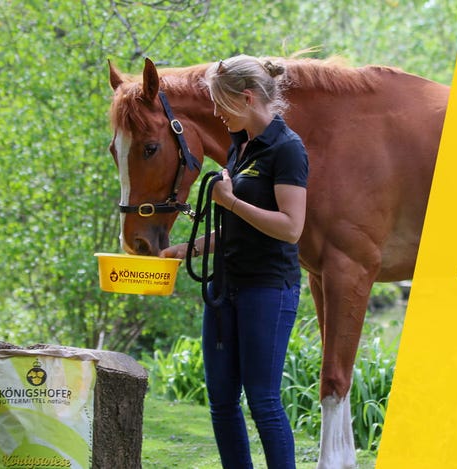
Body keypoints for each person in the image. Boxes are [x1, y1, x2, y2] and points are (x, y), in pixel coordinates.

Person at [161, 54, 308, 469]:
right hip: (224, 288)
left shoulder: (287, 149)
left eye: (219, 104)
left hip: (267, 287)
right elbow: (232, 228)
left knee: (262, 400)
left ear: (245, 98)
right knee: (221, 401)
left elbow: (291, 227)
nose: (215, 113)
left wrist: (230, 200)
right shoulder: (237, 146)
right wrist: (180, 252)